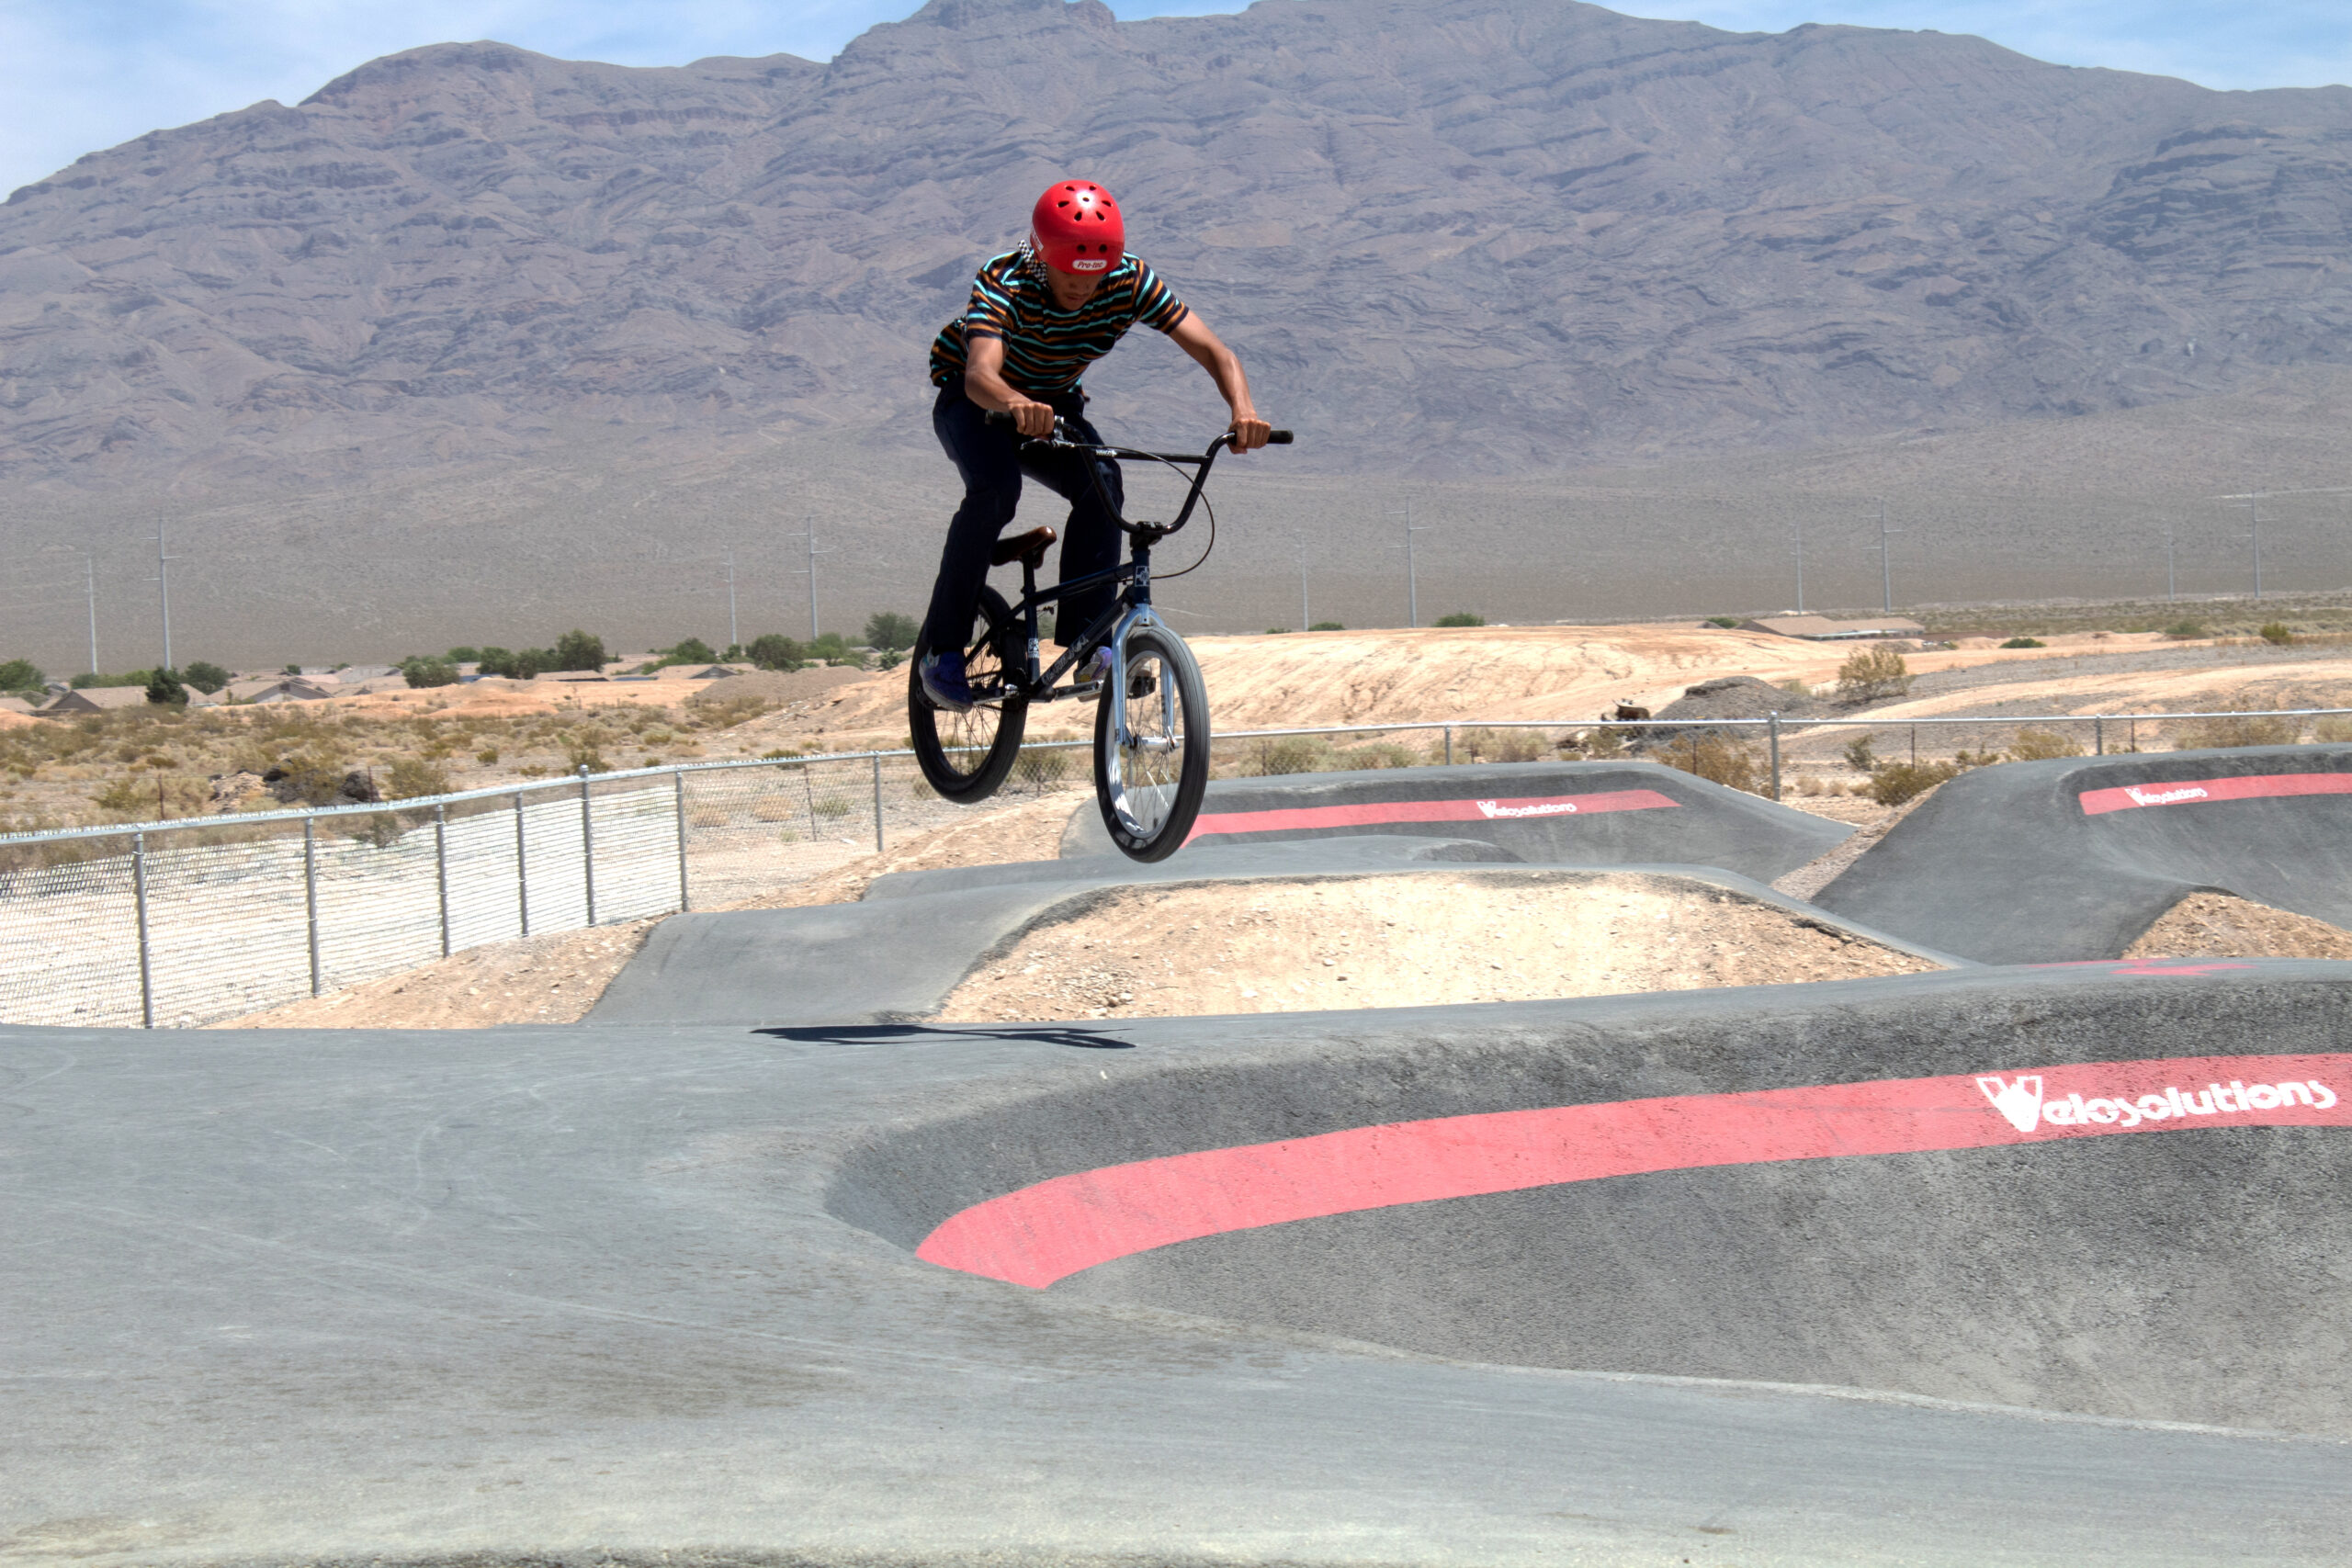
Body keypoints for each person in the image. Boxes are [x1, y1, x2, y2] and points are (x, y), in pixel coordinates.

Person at [918, 178, 1272, 711]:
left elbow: (1216, 352)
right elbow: (978, 374)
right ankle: (942, 652)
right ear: (1042, 258)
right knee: (996, 489)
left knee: (1103, 482)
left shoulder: (1131, 280)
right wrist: (1014, 402)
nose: (1083, 289)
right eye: (1069, 276)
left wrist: (1243, 410)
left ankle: (1088, 642)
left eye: (1095, 277)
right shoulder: (1005, 278)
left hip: (1054, 406)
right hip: (977, 404)